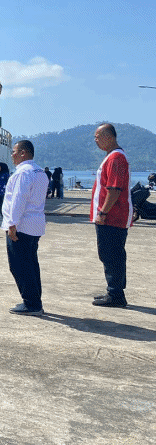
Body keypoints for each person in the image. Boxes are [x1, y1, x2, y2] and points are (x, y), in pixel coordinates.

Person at [1, 140, 49, 315]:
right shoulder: (40, 172)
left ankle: (31, 303)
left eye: (14, 151)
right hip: (34, 224)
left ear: (23, 153)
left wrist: (11, 224)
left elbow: (18, 200)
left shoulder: (23, 173)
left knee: (19, 265)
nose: (12, 155)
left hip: (22, 225)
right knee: (31, 264)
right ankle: (35, 299)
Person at [91, 123, 133, 308]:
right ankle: (114, 290)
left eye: (98, 137)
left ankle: (116, 294)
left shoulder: (116, 158)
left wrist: (102, 212)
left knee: (110, 254)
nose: (96, 140)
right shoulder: (112, 157)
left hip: (112, 217)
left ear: (109, 137)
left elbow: (114, 189)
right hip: (112, 216)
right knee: (113, 253)